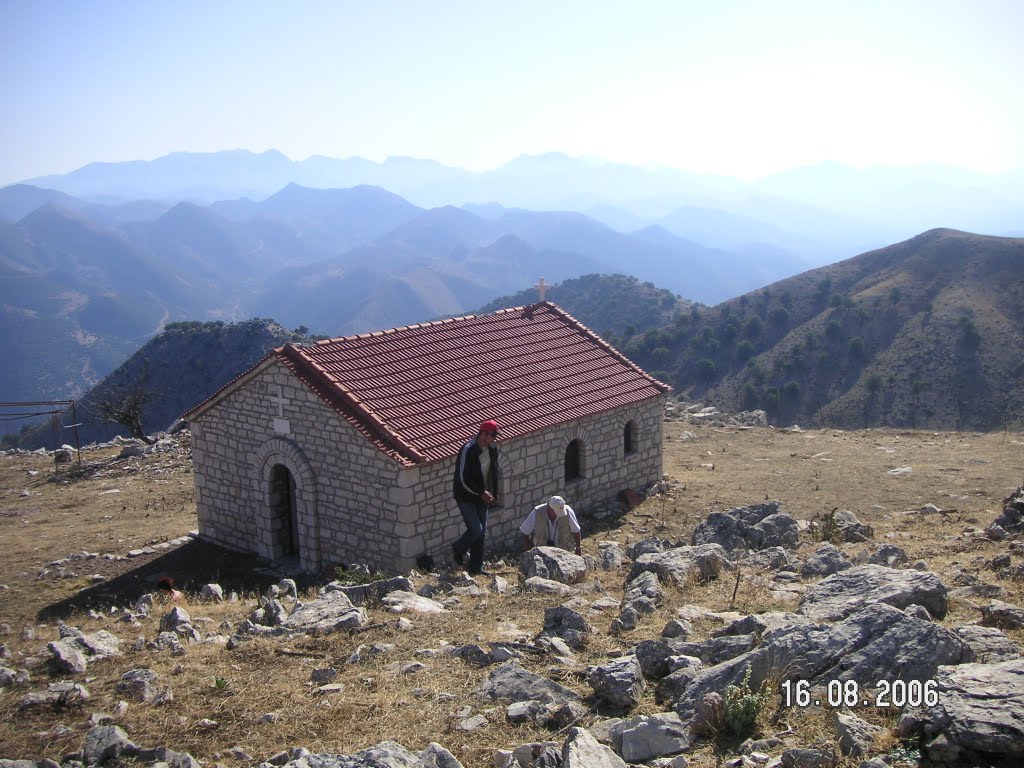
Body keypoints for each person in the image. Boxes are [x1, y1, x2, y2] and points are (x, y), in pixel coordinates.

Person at [451, 419, 502, 576]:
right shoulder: (468, 450)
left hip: (483, 498)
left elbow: (494, 472)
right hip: (466, 497)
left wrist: (494, 492)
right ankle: (457, 548)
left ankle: (475, 568)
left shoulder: (492, 450)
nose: (493, 439)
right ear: (483, 434)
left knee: (482, 533)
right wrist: (480, 493)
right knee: (476, 529)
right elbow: (463, 477)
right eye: (492, 436)